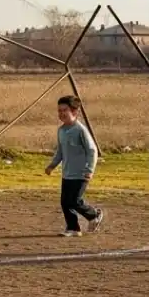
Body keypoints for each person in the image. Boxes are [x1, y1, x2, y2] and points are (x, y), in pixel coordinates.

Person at [45, 95, 104, 237]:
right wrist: (52, 165)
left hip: (81, 173)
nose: (61, 113)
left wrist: (89, 170)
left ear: (75, 111)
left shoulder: (80, 130)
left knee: (75, 201)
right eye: (59, 111)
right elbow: (60, 151)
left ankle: (94, 214)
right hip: (67, 173)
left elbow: (92, 150)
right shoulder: (61, 131)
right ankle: (73, 228)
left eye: (65, 110)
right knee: (65, 202)